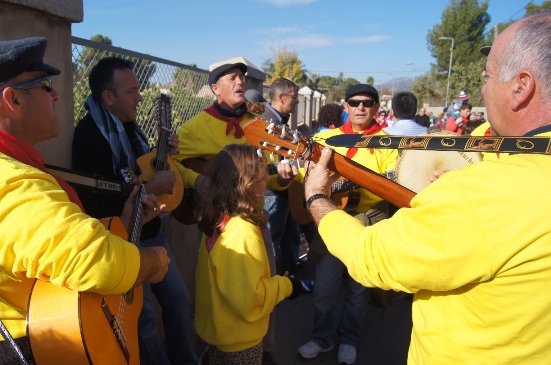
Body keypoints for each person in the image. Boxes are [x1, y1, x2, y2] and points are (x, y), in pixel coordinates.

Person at [304, 10, 551, 364]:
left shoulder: (480, 192)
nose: (482, 88)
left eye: (487, 76)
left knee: (357, 294)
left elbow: (370, 256)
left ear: (521, 86)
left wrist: (315, 197)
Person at [0, 37, 169, 365]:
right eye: (45, 85)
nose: (56, 94)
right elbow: (94, 259)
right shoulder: (11, 180)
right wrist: (151, 262)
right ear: (13, 100)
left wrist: (122, 221)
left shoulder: (19, 165)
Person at [72, 57, 197, 365]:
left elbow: (140, 168)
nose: (140, 98)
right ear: (108, 97)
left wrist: (163, 151)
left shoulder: (129, 127)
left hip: (153, 234)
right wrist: (153, 186)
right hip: (122, 240)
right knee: (142, 322)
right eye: (132, 91)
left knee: (179, 302)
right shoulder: (89, 135)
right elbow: (99, 198)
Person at [172, 62, 297, 365]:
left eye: (242, 78)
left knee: (260, 275)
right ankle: (219, 345)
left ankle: (261, 348)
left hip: (252, 216)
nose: (240, 82)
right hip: (211, 220)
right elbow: (168, 161)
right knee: (213, 285)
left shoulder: (261, 126)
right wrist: (195, 180)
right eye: (232, 78)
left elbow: (269, 177)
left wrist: (282, 178)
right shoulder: (193, 128)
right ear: (215, 88)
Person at [297, 84, 397, 365]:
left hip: (367, 223)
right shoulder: (326, 137)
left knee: (357, 289)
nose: (361, 107)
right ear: (346, 106)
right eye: (355, 102)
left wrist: (367, 183)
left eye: (367, 103)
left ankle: (349, 339)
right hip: (333, 218)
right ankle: (321, 338)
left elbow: (391, 182)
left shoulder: (386, 142)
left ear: (377, 107)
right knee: (324, 287)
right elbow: (307, 175)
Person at [194, 144, 302, 365]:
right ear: (248, 183)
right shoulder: (243, 232)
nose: (266, 179)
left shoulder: (219, 218)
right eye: (262, 173)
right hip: (240, 341)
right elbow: (251, 300)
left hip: (219, 332)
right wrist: (287, 285)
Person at [261, 78, 302, 279]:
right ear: (281, 96)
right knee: (271, 242)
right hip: (272, 194)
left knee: (290, 237)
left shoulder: (279, 121)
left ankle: (288, 278)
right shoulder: (265, 122)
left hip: (287, 190)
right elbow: (262, 164)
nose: (297, 102)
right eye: (294, 97)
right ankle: (268, 283)